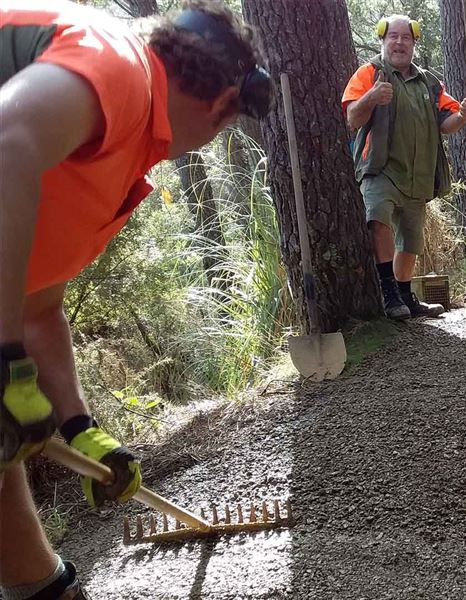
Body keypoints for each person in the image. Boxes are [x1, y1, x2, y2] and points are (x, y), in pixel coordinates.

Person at [0, 1, 272, 598]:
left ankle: (42, 588)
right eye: (227, 124)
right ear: (222, 103)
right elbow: (10, 139)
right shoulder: (119, 63)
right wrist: (4, 359)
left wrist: (78, 426)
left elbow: (39, 306)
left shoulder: (121, 156)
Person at [341, 14, 466, 320]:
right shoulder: (369, 72)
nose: (399, 43)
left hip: (418, 173)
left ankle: (405, 296)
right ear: (383, 40)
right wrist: (373, 97)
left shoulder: (428, 81)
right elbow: (352, 117)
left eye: (405, 38)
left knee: (411, 238)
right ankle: (388, 293)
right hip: (380, 168)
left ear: (415, 42)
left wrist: (464, 116)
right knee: (378, 219)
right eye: (393, 37)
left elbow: (447, 122)